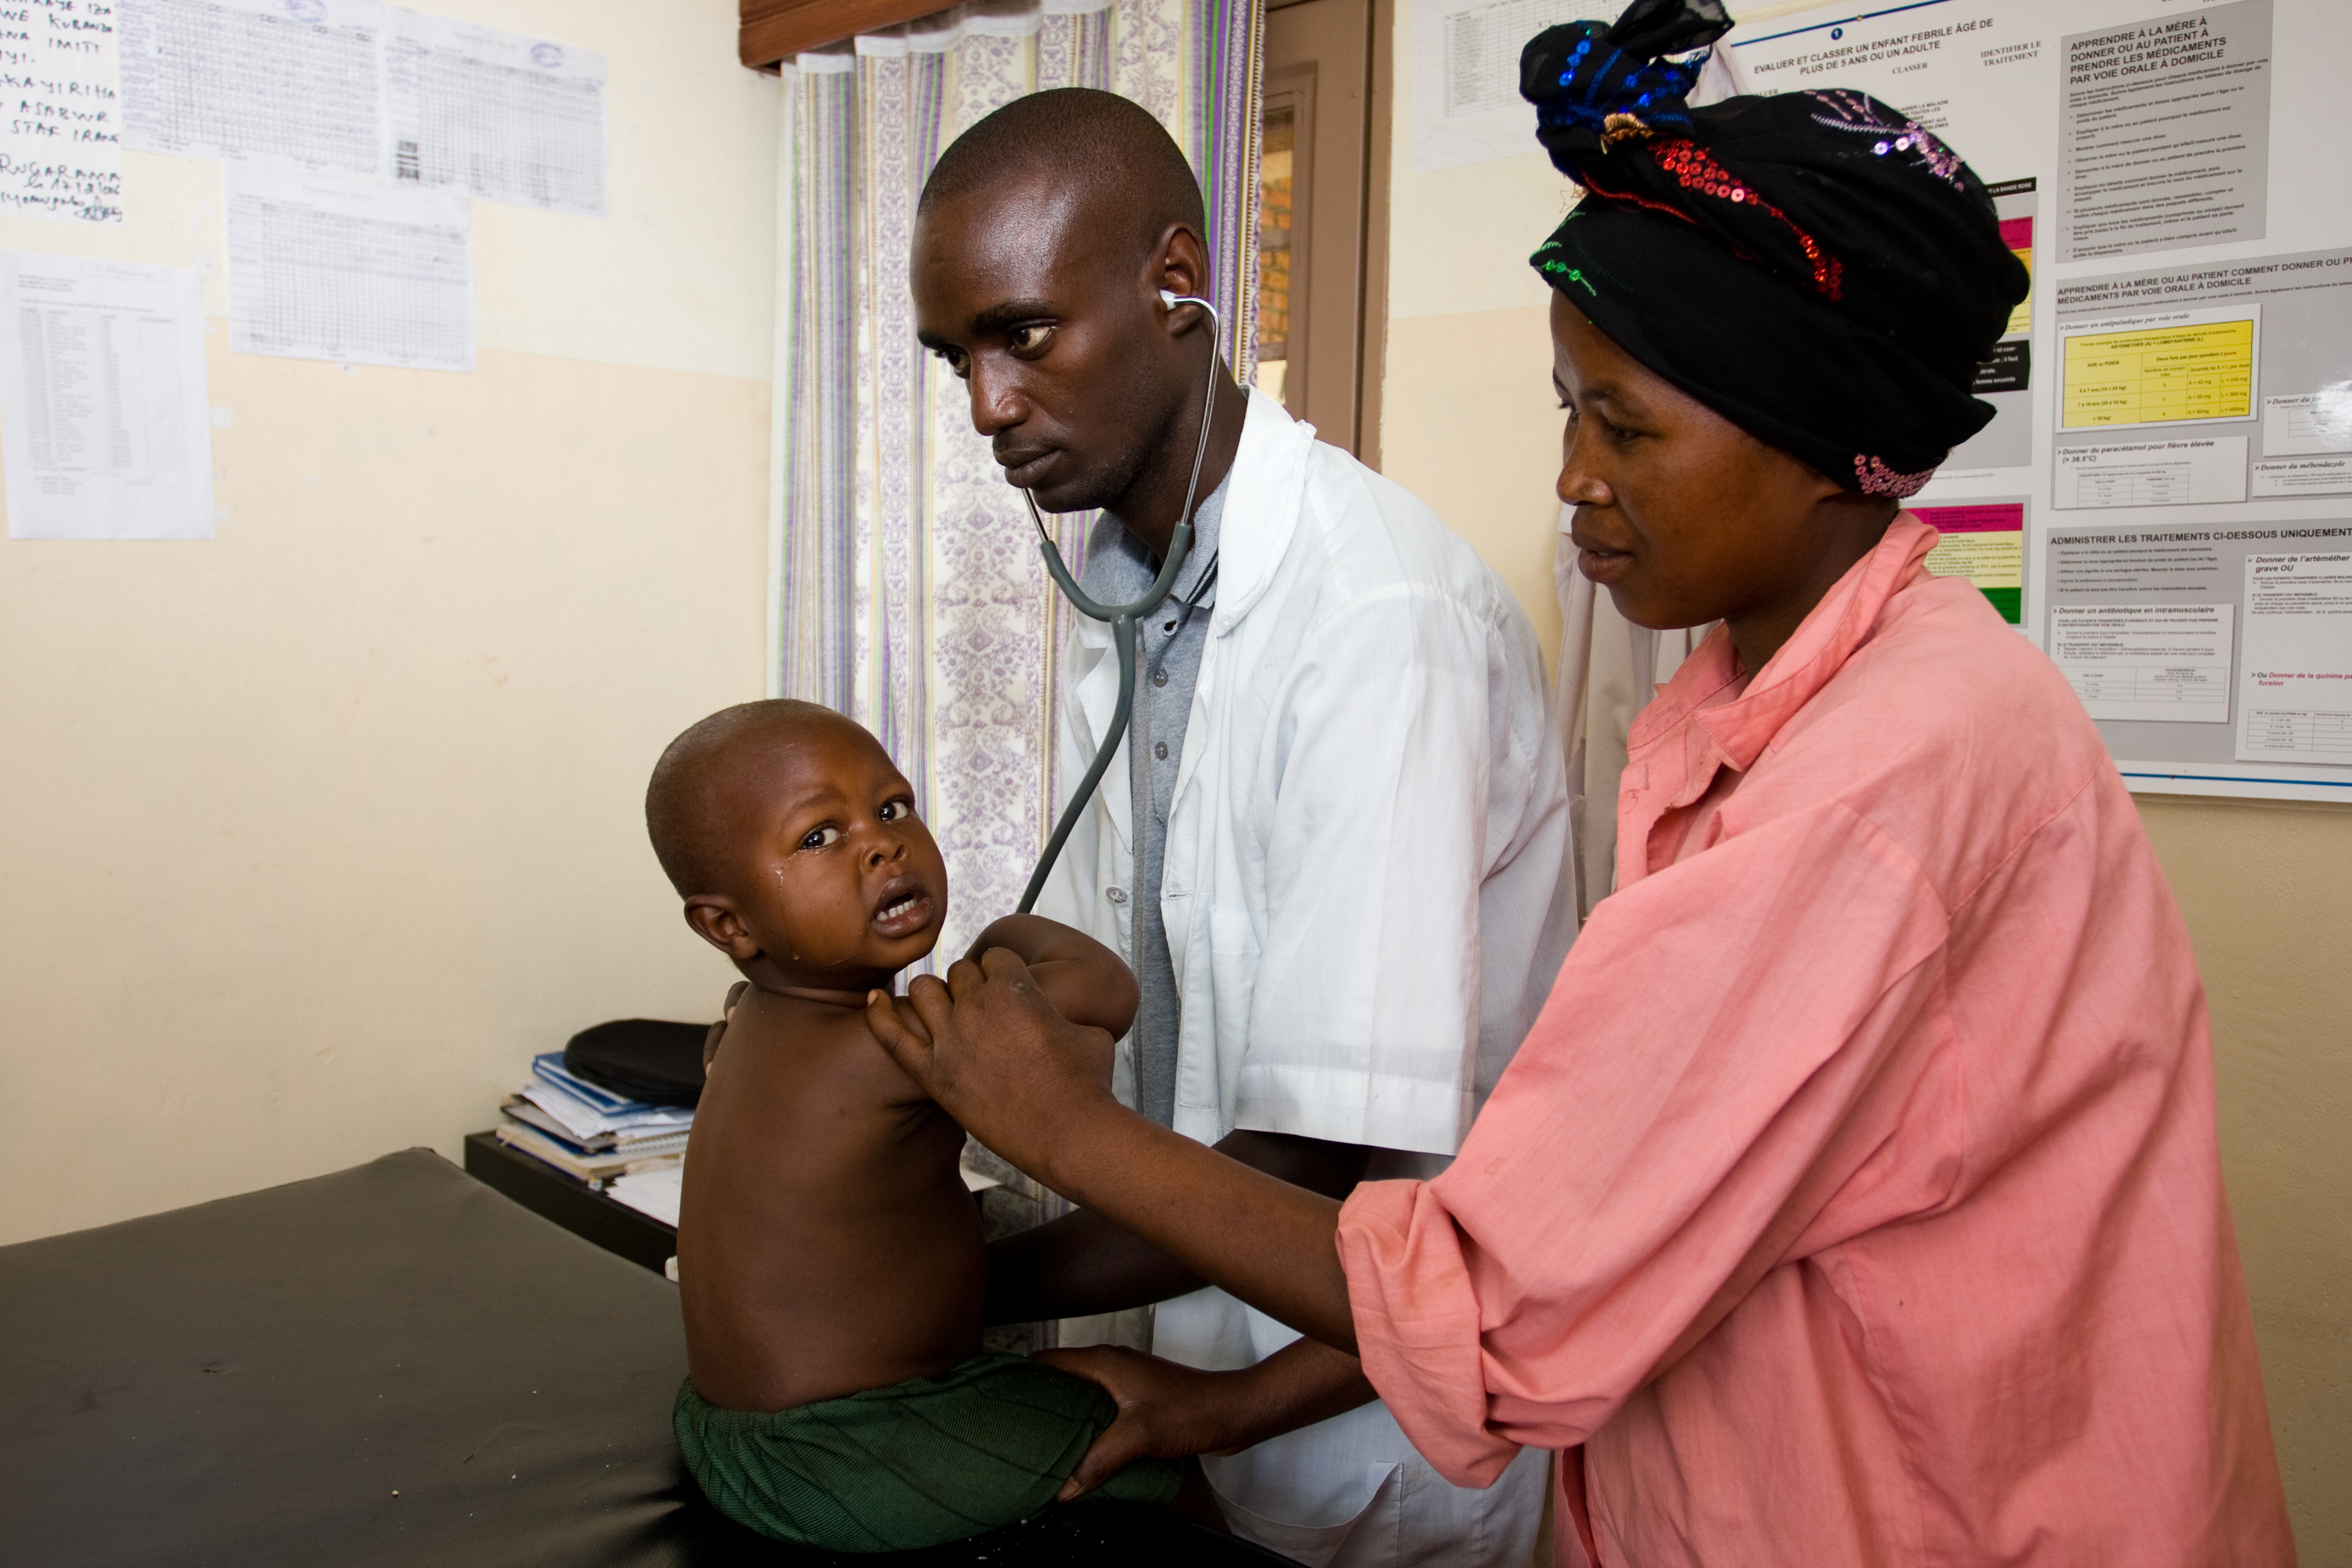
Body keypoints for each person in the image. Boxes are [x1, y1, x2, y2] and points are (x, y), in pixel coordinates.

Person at [863, 4, 2298, 1563]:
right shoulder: (1747, 704)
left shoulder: (1881, 778)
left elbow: (1495, 1290)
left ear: (1824, 441)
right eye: (1569, 408)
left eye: (1625, 425)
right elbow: (1610, 1226)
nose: (1570, 479)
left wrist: (1037, 1143)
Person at [909, 88, 1574, 1564]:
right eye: (954, 355)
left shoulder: (1377, 614)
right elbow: (1127, 1009)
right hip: (1203, 1391)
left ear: (1175, 280)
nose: (985, 407)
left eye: (1023, 334)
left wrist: (929, 1286)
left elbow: (1316, 1162)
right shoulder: (1135, 588)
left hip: (1377, 1448)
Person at [645, 700, 1189, 1551]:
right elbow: (1102, 987)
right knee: (1177, 1459)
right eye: (819, 838)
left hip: (731, 1435)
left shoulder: (745, 1023)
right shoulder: (888, 1048)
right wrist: (1002, 937)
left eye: (892, 808)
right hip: (855, 1448)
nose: (882, 844)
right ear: (729, 924)